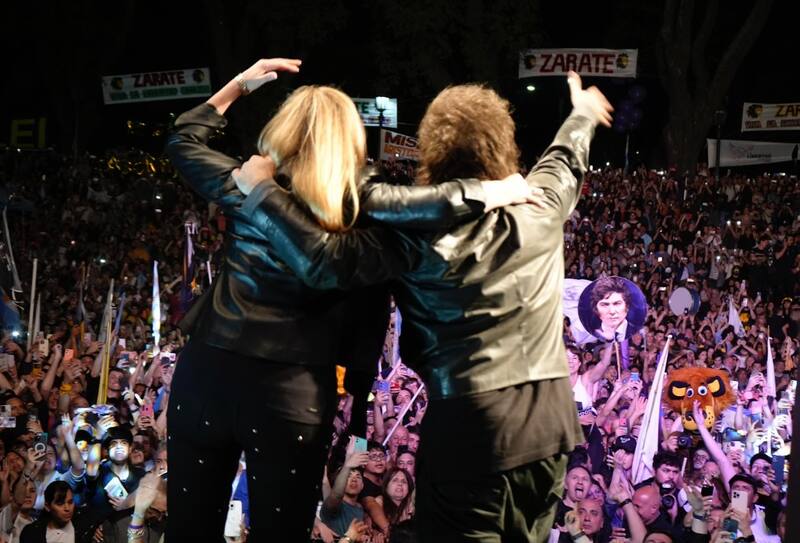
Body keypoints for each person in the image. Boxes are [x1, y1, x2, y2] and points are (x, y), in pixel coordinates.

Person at [232, 71, 613, 541]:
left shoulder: (412, 233)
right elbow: (564, 159)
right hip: (551, 429)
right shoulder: (540, 205)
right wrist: (583, 115)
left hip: (472, 428)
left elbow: (324, 264)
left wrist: (264, 196)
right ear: (504, 145)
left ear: (431, 152)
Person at [164, 57, 533, 540]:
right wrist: (487, 190)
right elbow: (424, 207)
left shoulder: (244, 182)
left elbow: (182, 139)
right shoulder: (361, 208)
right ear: (351, 141)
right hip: (289, 394)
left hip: (207, 373)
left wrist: (238, 85)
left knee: (189, 532)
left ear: (284, 130)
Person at [590, 276, 633, 341]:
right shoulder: (592, 335)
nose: (612, 311)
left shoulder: (636, 333)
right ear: (596, 309)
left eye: (617, 304)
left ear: (627, 306)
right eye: (605, 305)